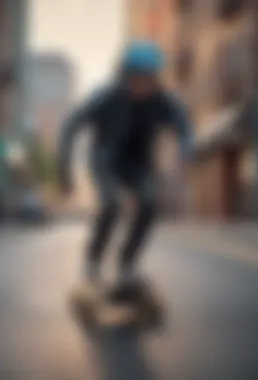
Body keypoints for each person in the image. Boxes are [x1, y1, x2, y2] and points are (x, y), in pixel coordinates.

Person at [58, 40, 192, 288]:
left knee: (150, 204)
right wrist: (65, 172)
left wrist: (185, 151)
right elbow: (70, 127)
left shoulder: (162, 101)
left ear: (155, 79)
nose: (142, 86)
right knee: (112, 204)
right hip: (105, 160)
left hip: (137, 163)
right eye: (136, 79)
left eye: (148, 80)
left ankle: (127, 262)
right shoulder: (106, 97)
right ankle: (93, 260)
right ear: (125, 76)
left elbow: (183, 125)